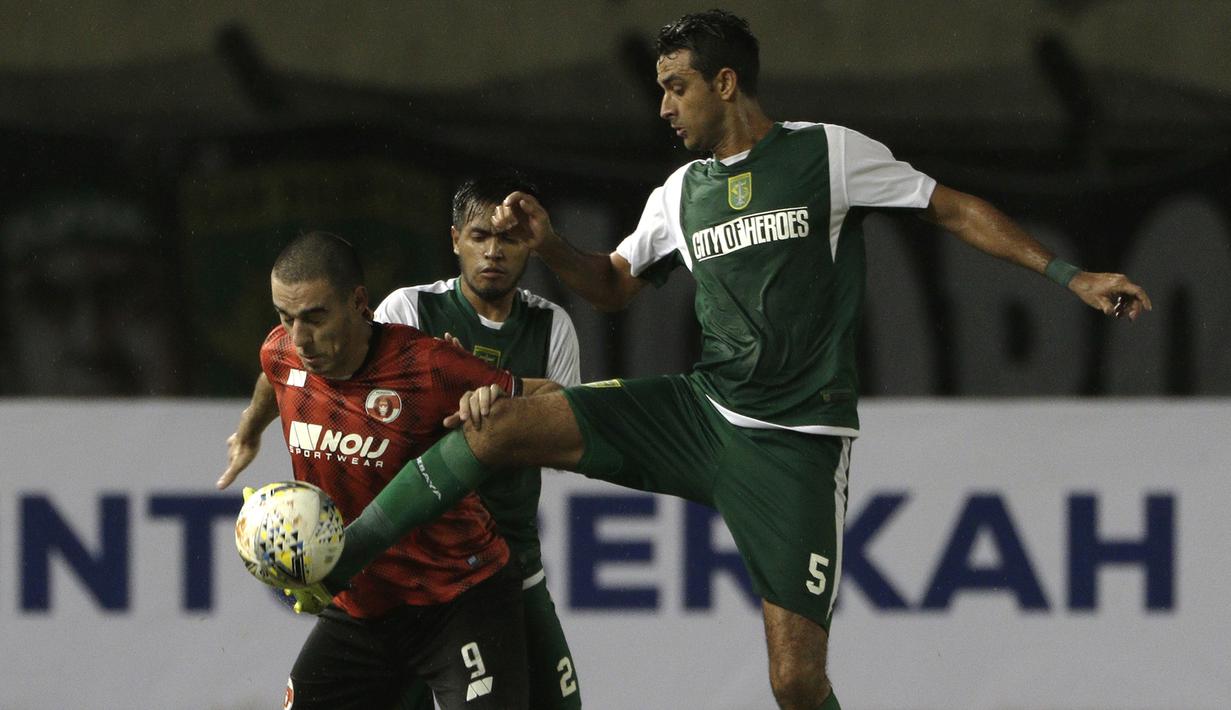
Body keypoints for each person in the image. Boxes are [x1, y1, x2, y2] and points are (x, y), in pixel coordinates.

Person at [308, 10, 1154, 710]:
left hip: (794, 442)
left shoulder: (825, 152)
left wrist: (1068, 274)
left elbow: (953, 208)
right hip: (699, 411)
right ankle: (341, 556)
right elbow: (611, 285)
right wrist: (555, 246)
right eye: (659, 92)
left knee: (795, 682)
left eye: (675, 88)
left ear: (723, 83)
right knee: (498, 431)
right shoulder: (678, 194)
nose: (664, 108)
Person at [220, 172, 585, 710]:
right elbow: (272, 370)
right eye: (286, 317)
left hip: (458, 595)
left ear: (359, 303)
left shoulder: (429, 365)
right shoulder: (283, 352)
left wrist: (496, 409)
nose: (299, 338)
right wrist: (251, 429)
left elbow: (553, 396)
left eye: (316, 317)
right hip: (364, 602)